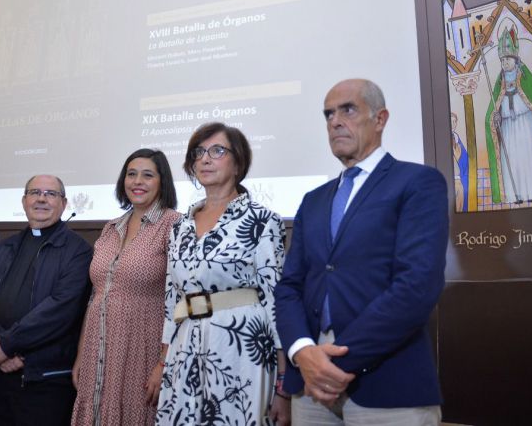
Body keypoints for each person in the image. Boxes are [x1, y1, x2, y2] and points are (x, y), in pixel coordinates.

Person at [274, 79, 448, 425]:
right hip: (310, 385)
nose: (335, 121)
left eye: (348, 110)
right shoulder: (314, 200)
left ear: (380, 119)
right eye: (328, 114)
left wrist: (335, 364)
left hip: (387, 380)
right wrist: (301, 352)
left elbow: (416, 286)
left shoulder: (417, 182)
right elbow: (289, 287)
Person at [156, 122, 290, 425]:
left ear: (238, 161)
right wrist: (162, 362)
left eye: (217, 151)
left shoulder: (262, 220)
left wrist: (283, 383)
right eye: (198, 152)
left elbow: (274, 298)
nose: (205, 159)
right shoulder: (180, 225)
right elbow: (171, 301)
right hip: (185, 347)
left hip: (241, 348)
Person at [0, 174, 93, 426]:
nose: (41, 199)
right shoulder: (5, 246)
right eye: (35, 193)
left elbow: (62, 308)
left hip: (43, 379)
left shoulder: (79, 251)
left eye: (50, 194)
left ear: (64, 204)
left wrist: (7, 343)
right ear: (24, 201)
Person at [70, 149, 181, 425]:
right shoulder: (110, 228)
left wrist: (164, 363)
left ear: (162, 181)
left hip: (143, 350)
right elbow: (97, 295)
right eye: (131, 174)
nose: (137, 182)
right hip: (98, 349)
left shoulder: (175, 225)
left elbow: (180, 300)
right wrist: (82, 354)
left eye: (147, 175)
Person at [485, 25, 532, 204]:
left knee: (528, 159)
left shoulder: (525, 77)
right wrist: (495, 117)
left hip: (526, 126)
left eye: (507, 59)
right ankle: (515, 195)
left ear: (515, 59)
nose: (504, 63)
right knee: (513, 162)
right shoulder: (500, 82)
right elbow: (493, 109)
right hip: (508, 129)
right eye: (502, 60)